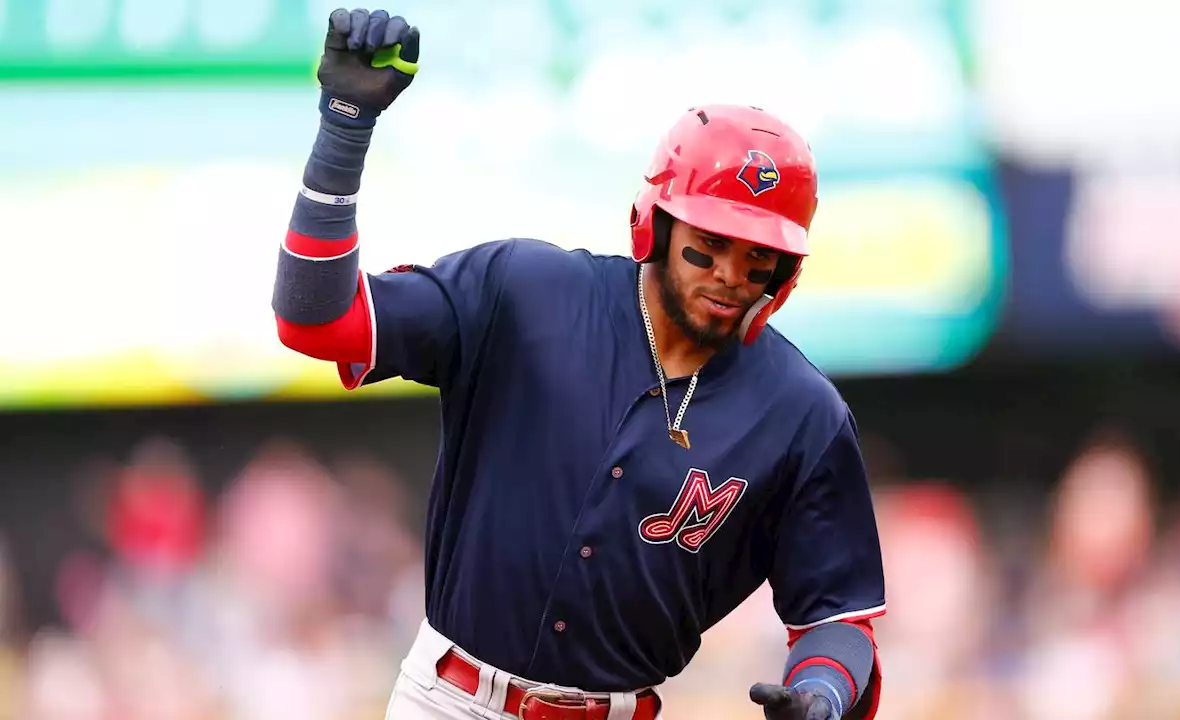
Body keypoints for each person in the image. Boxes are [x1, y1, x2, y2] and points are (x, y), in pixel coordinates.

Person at [272, 8, 887, 720]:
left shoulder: (801, 414)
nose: (728, 275)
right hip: (451, 701)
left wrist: (823, 694)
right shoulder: (527, 293)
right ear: (653, 225)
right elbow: (318, 320)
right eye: (707, 245)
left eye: (758, 259)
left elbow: (837, 620)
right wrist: (345, 127)